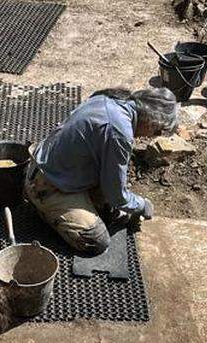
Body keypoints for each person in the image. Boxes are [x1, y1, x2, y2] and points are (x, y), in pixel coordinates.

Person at [26, 87, 179, 254]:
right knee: (96, 241)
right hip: (46, 184)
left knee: (109, 209)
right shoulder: (119, 132)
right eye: (156, 131)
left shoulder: (110, 98)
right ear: (150, 122)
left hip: (54, 167)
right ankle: (45, 209)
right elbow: (116, 196)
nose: (152, 136)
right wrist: (141, 205)